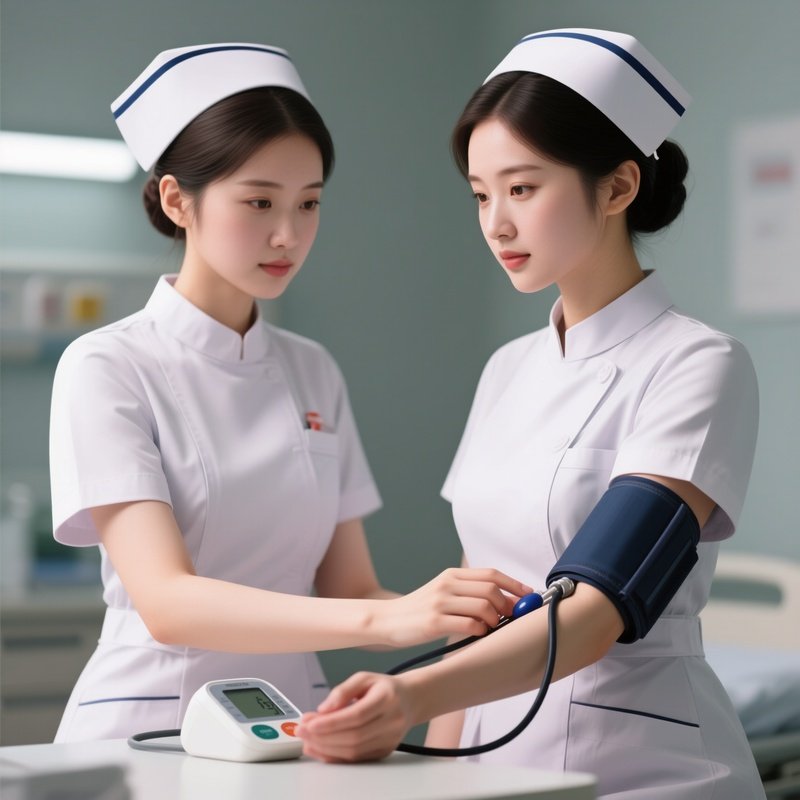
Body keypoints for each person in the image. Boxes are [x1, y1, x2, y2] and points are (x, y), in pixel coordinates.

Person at [296, 28, 765, 799]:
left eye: (522, 188)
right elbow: (475, 607)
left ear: (616, 188)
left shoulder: (698, 364)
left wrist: (409, 696)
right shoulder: (506, 370)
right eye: (481, 195)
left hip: (648, 769)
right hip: (490, 765)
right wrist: (429, 771)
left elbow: (595, 609)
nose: (496, 224)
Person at [48, 42, 531, 743]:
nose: (288, 234)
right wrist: (392, 618)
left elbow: (352, 590)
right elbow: (168, 602)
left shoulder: (311, 369)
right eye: (259, 202)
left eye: (309, 204)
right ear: (178, 200)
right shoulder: (108, 364)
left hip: (291, 722)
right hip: (149, 723)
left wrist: (461, 617)